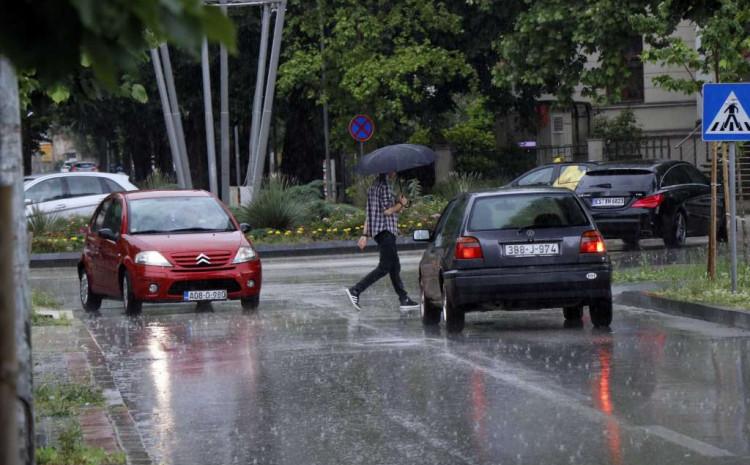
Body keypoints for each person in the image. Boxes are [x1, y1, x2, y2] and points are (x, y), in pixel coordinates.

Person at [345, 172, 419, 311]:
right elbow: (387, 211)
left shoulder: (373, 187)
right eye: (393, 170)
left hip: (379, 232)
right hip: (386, 232)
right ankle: (356, 290)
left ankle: (404, 298)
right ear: (388, 171)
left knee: (394, 266)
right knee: (384, 267)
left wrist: (365, 234)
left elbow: (370, 213)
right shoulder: (384, 187)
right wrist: (401, 203)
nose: (395, 172)